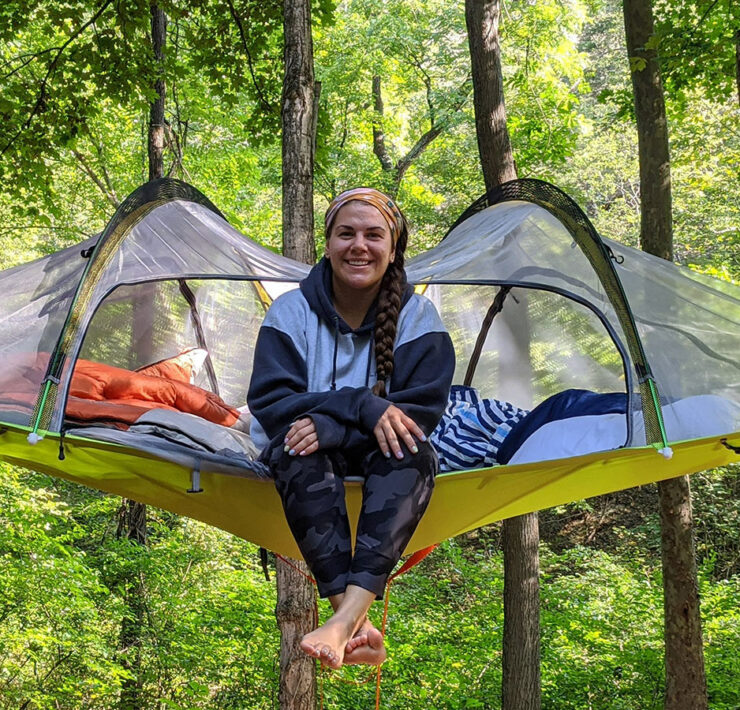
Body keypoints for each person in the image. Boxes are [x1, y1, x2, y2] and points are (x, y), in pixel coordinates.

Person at [247, 187, 455, 669]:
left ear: (393, 247)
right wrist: (360, 405)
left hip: (378, 451)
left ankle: (343, 624)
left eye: (373, 235)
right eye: (346, 233)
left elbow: (418, 413)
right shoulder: (290, 312)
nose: (358, 245)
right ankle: (355, 623)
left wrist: (337, 425)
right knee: (298, 450)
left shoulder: (418, 317)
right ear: (327, 243)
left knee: (413, 451)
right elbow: (273, 404)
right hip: (307, 452)